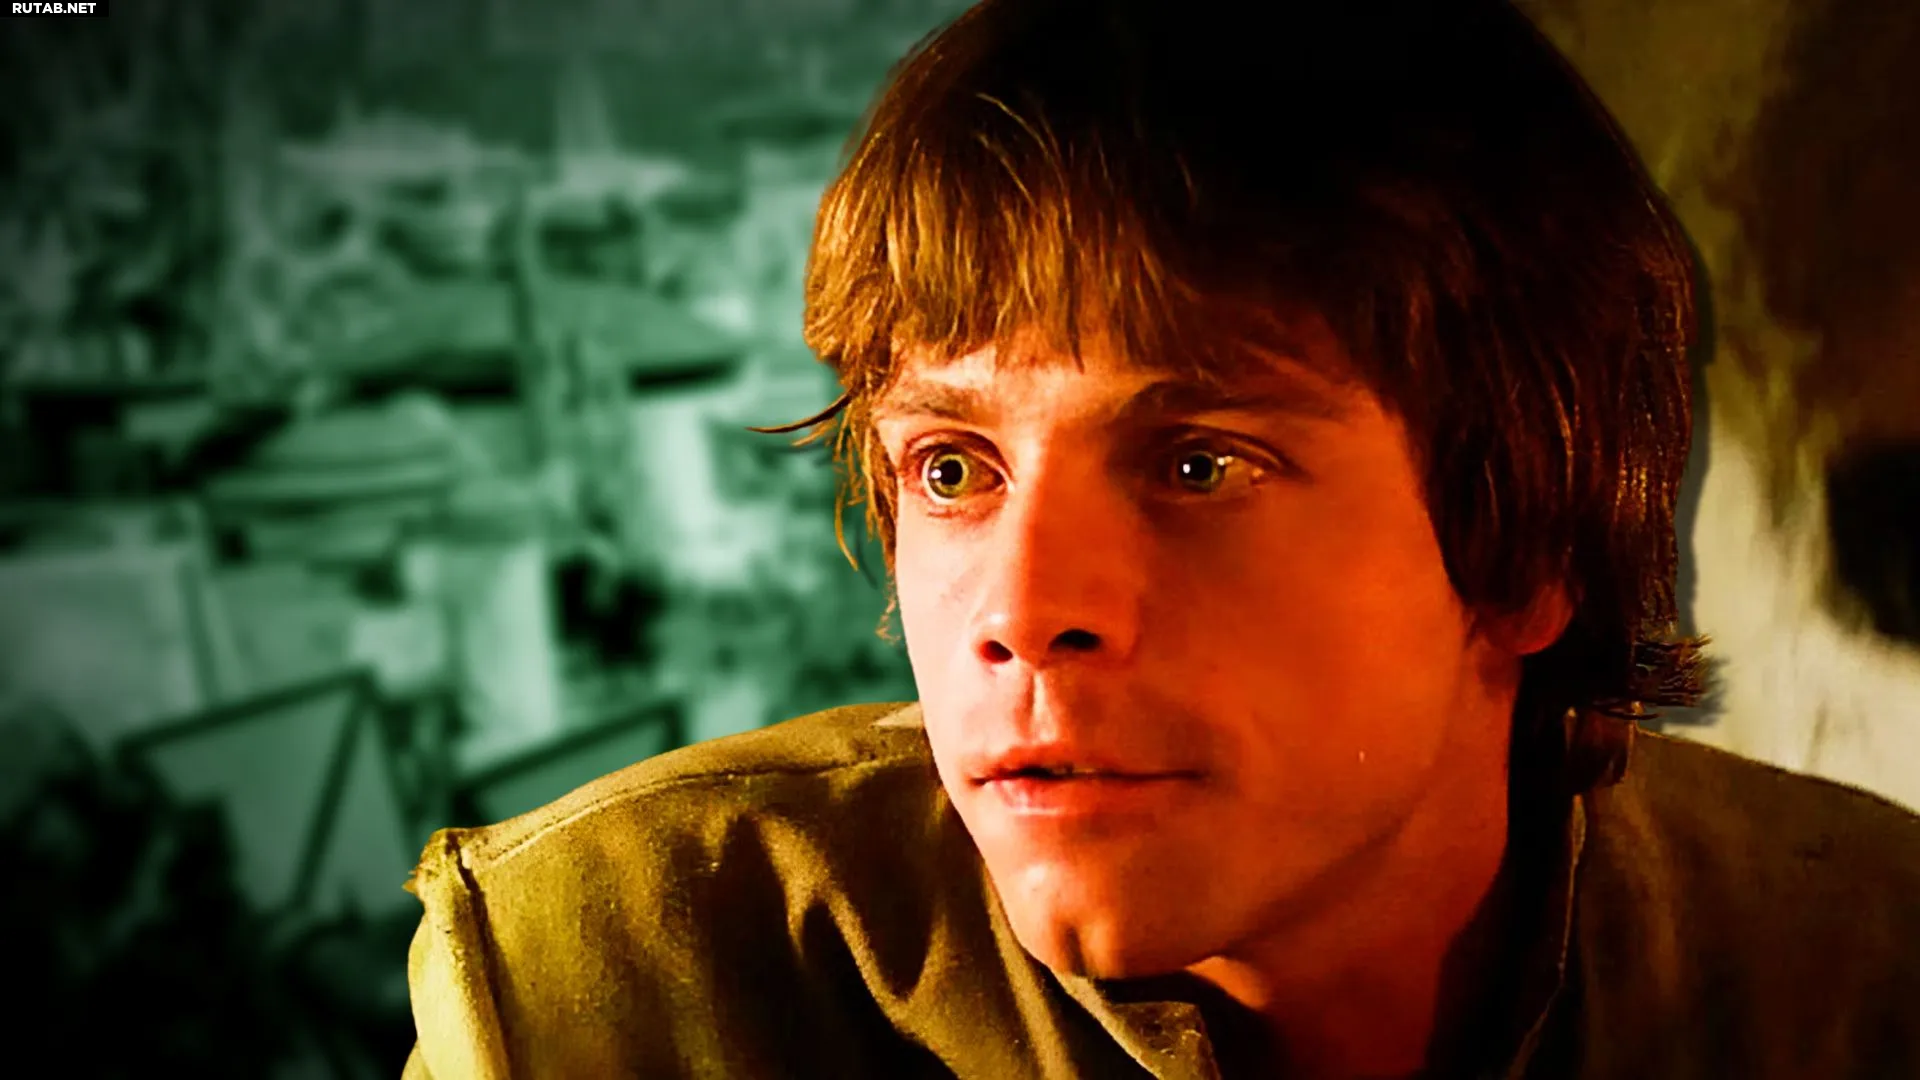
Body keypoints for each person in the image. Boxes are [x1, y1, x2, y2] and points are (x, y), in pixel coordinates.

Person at [400, 1, 1920, 1076]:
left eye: (1199, 464)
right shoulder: (617, 996)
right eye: (950, 469)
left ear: (1529, 548)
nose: (1021, 611)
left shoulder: (1861, 975)